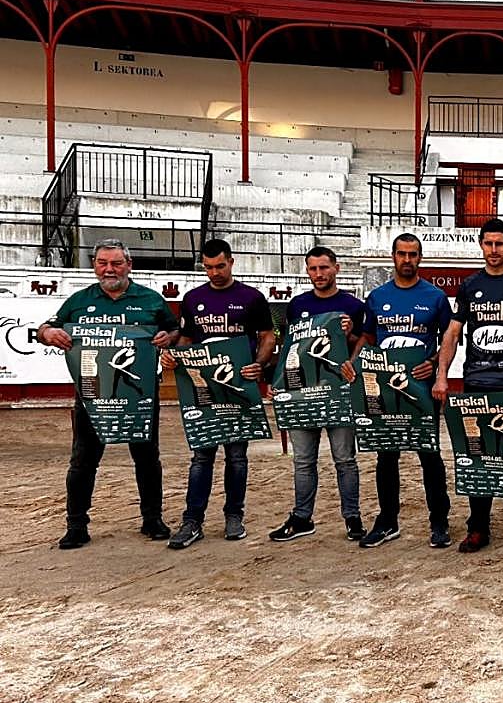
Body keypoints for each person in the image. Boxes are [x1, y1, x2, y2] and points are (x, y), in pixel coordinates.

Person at [37, 238, 180, 550]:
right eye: (103, 263)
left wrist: (167, 337)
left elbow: (175, 331)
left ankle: (152, 519)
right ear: (94, 266)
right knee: (82, 462)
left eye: (116, 263)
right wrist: (48, 333)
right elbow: (45, 328)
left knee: (146, 458)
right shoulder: (78, 300)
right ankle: (76, 525)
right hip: (91, 397)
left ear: (129, 265)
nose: (109, 269)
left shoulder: (151, 300)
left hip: (140, 395)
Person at [433, 219, 503, 555]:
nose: (494, 250)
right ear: (480, 245)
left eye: (500, 244)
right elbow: (453, 334)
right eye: (488, 244)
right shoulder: (470, 286)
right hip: (475, 384)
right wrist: (442, 375)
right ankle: (477, 528)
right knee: (477, 456)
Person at [160, 239, 274, 549]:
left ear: (231, 262)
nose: (215, 272)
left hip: (238, 388)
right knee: (201, 457)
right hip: (202, 389)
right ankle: (192, 520)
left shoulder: (251, 297)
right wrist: (174, 356)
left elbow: (267, 336)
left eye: (220, 266)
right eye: (209, 267)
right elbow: (185, 338)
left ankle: (234, 516)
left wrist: (258, 364)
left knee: (237, 457)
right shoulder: (194, 298)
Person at [353, 233, 454, 549]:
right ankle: (387, 521)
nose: (407, 260)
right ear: (393, 256)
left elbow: (449, 339)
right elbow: (368, 338)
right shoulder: (378, 296)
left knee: (429, 456)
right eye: (401, 254)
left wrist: (434, 363)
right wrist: (352, 363)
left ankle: (439, 521)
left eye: (412, 254)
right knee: (387, 455)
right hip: (384, 390)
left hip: (420, 390)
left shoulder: (436, 297)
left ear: (420, 257)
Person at [268, 247, 365, 542]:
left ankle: (353, 517)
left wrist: (349, 339)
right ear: (307, 271)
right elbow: (290, 348)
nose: (319, 274)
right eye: (313, 269)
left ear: (336, 267)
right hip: (302, 393)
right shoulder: (297, 305)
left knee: (344, 459)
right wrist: (277, 380)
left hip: (337, 391)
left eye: (324, 268)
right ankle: (301, 517)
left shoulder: (353, 305)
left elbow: (362, 342)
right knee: (303, 460)